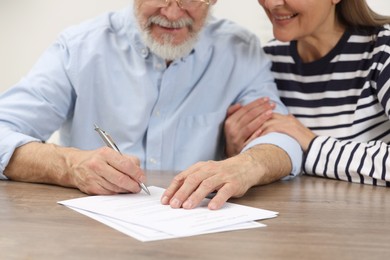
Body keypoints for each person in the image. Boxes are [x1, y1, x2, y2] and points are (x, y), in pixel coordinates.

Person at [0, 0, 302, 210]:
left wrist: (246, 165)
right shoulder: (80, 47)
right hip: (91, 236)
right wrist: (69, 166)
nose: (172, 13)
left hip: (195, 230)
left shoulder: (240, 51)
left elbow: (282, 139)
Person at [225, 0, 390, 186]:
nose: (271, 3)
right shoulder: (266, 62)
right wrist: (239, 153)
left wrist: (311, 144)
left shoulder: (382, 50)